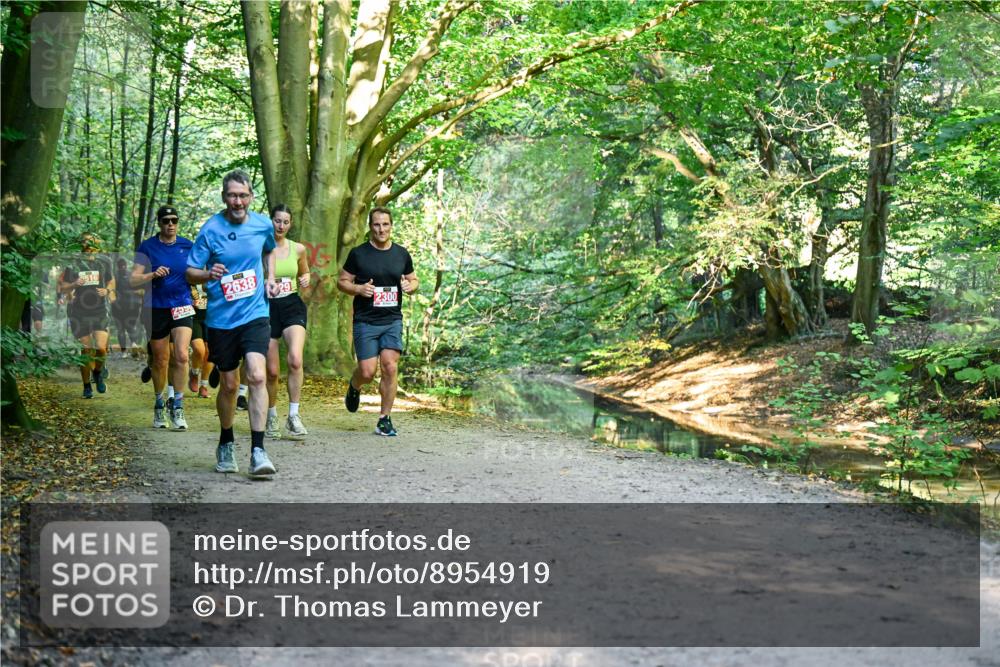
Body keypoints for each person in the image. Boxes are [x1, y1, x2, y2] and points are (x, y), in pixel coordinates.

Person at [186, 170, 277, 477]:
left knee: (256, 375)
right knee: (228, 384)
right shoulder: (211, 229)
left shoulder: (263, 224)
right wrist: (207, 274)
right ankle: (226, 440)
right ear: (224, 197)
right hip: (222, 319)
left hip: (255, 314)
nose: (238, 201)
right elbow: (190, 271)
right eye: (232, 195)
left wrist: (271, 280)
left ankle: (258, 450)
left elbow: (270, 251)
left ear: (251, 197)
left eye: (243, 195)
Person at [337, 207, 418, 436]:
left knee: (390, 367)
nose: (381, 229)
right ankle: (354, 386)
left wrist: (410, 286)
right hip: (365, 320)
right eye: (376, 225)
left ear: (391, 226)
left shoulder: (401, 254)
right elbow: (342, 281)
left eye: (385, 224)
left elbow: (414, 280)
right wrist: (358, 289)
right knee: (367, 371)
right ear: (370, 227)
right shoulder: (358, 254)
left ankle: (384, 418)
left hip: (392, 319)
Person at [132, 205, 194, 430]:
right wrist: (152, 274)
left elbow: (197, 273)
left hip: (182, 305)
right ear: (159, 223)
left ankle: (177, 406)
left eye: (174, 220)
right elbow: (132, 280)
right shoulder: (147, 247)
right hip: (155, 307)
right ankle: (159, 404)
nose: (170, 224)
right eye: (166, 220)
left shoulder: (188, 245)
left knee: (181, 355)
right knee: (160, 360)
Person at [264, 204, 311, 439]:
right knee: (271, 371)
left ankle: (293, 416)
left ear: (290, 224)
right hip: (267, 307)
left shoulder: (298, 249)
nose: (281, 225)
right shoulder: (260, 249)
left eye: (285, 222)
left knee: (295, 359)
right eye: (277, 221)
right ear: (270, 221)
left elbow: (305, 272)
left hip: (292, 305)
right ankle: (271, 415)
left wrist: (305, 279)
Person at [58, 233, 115, 398]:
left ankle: (97, 372)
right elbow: (63, 287)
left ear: (97, 242)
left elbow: (111, 281)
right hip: (80, 310)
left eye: (92, 240)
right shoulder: (74, 263)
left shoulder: (105, 261)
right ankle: (86, 386)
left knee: (102, 349)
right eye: (85, 240)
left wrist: (108, 291)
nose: (88, 243)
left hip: (99, 309)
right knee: (86, 349)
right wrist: (74, 284)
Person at [112, 256, 145, 357]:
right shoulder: (132, 276)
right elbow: (142, 291)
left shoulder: (115, 276)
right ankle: (133, 345)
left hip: (121, 306)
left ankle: (125, 351)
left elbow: (111, 291)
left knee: (121, 328)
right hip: (131, 305)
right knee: (130, 327)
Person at [189, 281, 213, 398]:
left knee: (209, 352)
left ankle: (204, 385)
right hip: (194, 316)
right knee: (199, 350)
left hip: (211, 316)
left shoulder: (216, 270)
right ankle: (194, 373)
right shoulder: (190, 269)